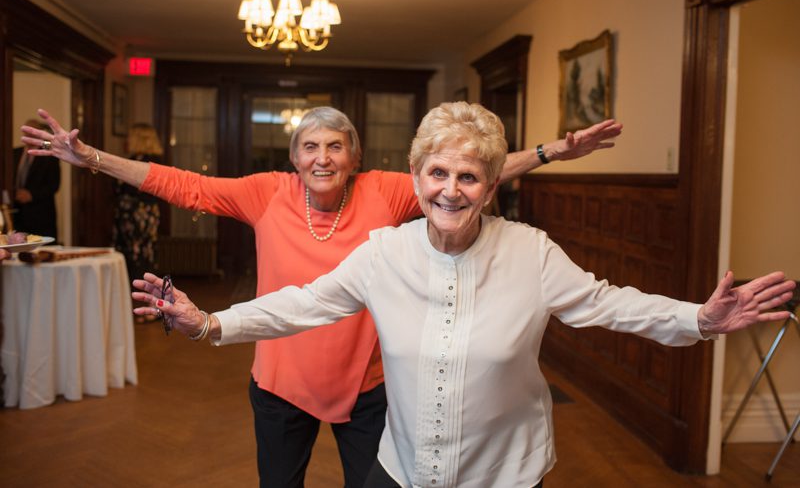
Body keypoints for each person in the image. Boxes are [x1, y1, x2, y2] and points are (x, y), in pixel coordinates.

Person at [131, 102, 795, 488]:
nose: (450, 190)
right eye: (437, 173)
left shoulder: (531, 253)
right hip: (402, 468)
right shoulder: (384, 253)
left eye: (469, 177)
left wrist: (699, 319)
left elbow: (611, 303)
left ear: (491, 185)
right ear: (415, 178)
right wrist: (208, 322)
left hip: (503, 473)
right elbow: (301, 303)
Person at [21, 105, 622, 487]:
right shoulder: (267, 192)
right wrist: (88, 157)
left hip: (368, 386)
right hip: (280, 382)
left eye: (335, 145)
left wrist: (551, 152)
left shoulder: (387, 191)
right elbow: (183, 185)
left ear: (355, 157)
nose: (322, 157)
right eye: (310, 146)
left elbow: (468, 170)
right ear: (294, 158)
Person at [112, 123, 164, 285]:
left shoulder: (152, 163)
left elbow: (140, 189)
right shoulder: (132, 159)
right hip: (128, 215)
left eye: (130, 136)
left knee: (141, 251)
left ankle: (141, 285)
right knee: (130, 251)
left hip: (141, 215)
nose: (127, 140)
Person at [12, 120, 60, 238]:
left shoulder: (49, 154)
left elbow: (54, 185)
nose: (29, 136)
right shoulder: (14, 153)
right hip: (18, 214)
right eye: (26, 132)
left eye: (32, 132)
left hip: (41, 215)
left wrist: (31, 195)